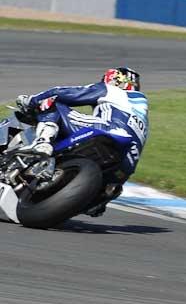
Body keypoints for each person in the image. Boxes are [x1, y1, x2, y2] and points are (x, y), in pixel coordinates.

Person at [15, 67, 148, 217]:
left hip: (106, 131)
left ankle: (43, 142)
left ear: (113, 80)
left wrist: (30, 101)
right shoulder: (142, 116)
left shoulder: (113, 91)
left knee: (52, 101)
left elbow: (63, 93)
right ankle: (101, 197)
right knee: (101, 197)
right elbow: (132, 158)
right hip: (125, 163)